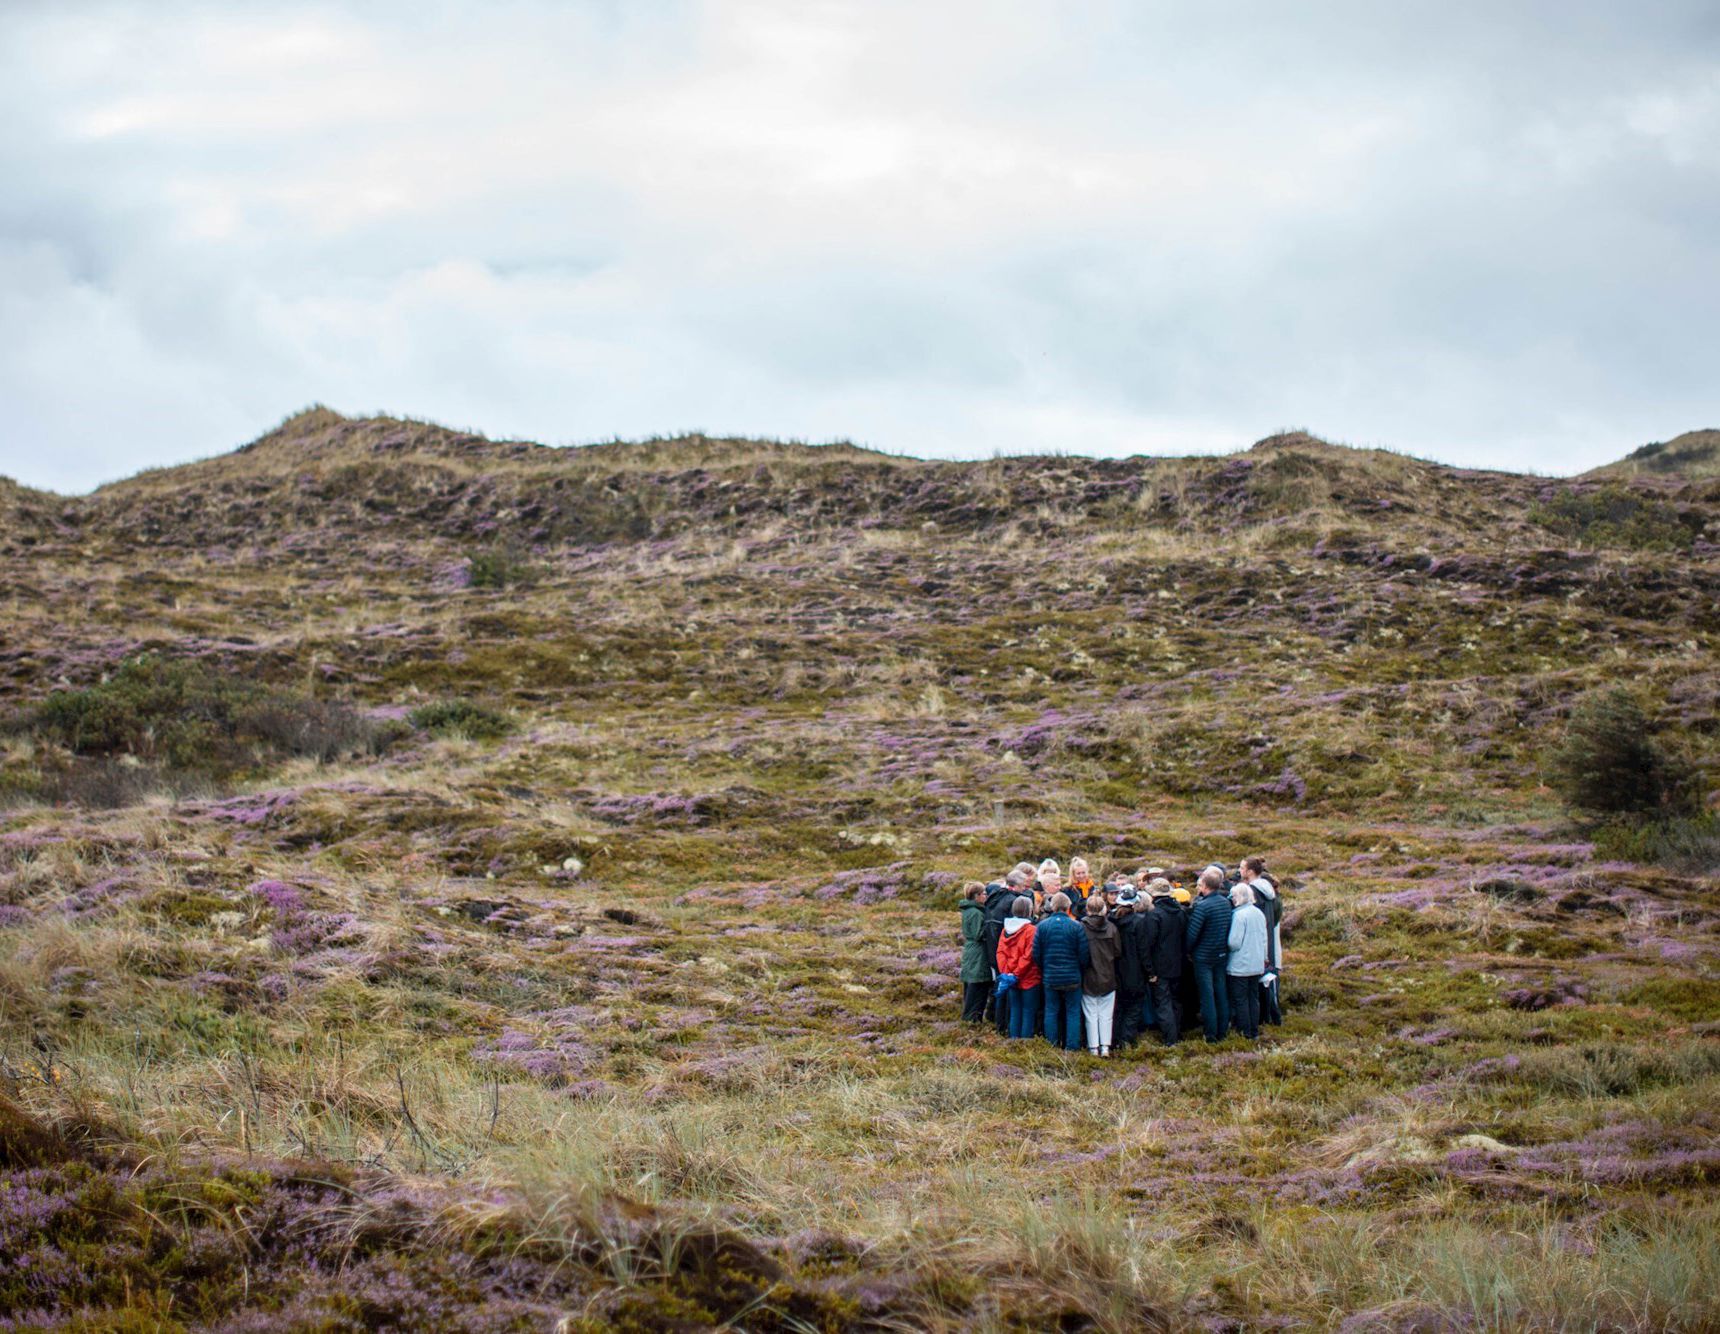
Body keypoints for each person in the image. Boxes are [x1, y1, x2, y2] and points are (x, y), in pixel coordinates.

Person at [1032, 891, 1089, 1051]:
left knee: (1051, 1010)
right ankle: (1072, 1047)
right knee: (1073, 1012)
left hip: (1050, 976)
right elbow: (1084, 954)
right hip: (1072, 976)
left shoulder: (1042, 927)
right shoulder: (1076, 926)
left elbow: (1036, 953)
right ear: (1068, 906)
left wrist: (1045, 967)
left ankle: (1051, 1045)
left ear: (1052, 906)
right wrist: (1078, 969)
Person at [1184, 867, 1234, 1042]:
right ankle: (1222, 1031)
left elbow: (1192, 934)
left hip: (1203, 958)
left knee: (1207, 996)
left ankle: (1211, 1034)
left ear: (1205, 886)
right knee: (1221, 992)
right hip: (1221, 954)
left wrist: (1188, 951)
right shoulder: (1225, 903)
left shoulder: (1203, 906)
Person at [982, 870, 1029, 1033]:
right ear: (1015, 885)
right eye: (1023, 885)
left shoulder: (995, 898)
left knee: (1000, 987)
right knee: (1008, 991)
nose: (1026, 888)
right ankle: (1004, 1024)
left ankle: (997, 1021)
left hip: (995, 952)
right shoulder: (1013, 902)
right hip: (1010, 954)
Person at [1241, 856, 1283, 1026]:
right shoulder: (1269, 892)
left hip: (1260, 946)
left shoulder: (1254, 892)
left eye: (1242, 868)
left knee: (1263, 982)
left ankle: (1270, 1016)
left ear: (1250, 871)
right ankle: (1270, 1016)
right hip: (1267, 944)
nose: (1240, 871)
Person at [1142, 878, 1185, 1044]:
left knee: (1163, 1002)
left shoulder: (1154, 915)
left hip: (1160, 968)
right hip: (1179, 964)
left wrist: (1150, 970)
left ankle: (1170, 1038)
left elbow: (1149, 945)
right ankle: (1177, 1033)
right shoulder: (1180, 912)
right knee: (1176, 1000)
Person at [994, 894, 1041, 1039]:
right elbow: (1028, 955)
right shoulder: (1031, 930)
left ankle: (1014, 1041)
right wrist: (1016, 974)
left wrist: (1007, 974)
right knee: (1028, 1012)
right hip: (1028, 978)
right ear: (1029, 910)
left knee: (1015, 1010)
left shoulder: (1005, 930)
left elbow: (1000, 952)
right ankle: (1025, 1043)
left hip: (1010, 979)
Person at [1080, 894, 1121, 1055]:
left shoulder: (1081, 927)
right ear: (1103, 909)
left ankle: (1093, 1047)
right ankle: (1105, 1047)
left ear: (1087, 909)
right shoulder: (1112, 928)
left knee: (1091, 1014)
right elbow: (1118, 951)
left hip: (1088, 976)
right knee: (1106, 1015)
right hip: (1108, 975)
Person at [1226, 882, 1267, 1040]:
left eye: (1234, 896)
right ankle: (1254, 1030)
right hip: (1256, 964)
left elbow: (1233, 942)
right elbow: (1264, 939)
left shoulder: (1239, 915)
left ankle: (1245, 1032)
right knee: (1253, 998)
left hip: (1240, 965)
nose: (1232, 899)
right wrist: (1264, 957)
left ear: (1239, 897)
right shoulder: (1258, 913)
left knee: (1241, 999)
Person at [1112, 886, 1150, 1047]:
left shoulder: (1112, 922)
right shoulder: (1139, 923)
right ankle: (1126, 1039)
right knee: (1134, 1007)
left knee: (1119, 1006)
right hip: (1135, 972)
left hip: (1116, 971)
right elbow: (1144, 951)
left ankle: (1115, 1039)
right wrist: (1150, 971)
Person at [958, 882, 990, 1024]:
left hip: (972, 951)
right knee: (977, 986)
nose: (986, 896)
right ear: (977, 896)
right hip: (978, 953)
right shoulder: (977, 913)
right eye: (984, 893)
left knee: (971, 985)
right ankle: (972, 1018)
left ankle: (970, 1017)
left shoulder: (969, 910)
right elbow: (979, 934)